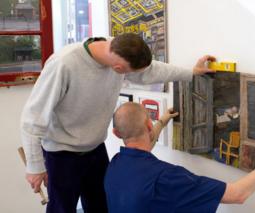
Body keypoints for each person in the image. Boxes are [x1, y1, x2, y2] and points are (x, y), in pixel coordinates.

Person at [20, 33, 215, 212]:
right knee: (62, 209)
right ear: (119, 69)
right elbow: (32, 120)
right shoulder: (63, 64)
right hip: (61, 154)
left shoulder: (118, 50)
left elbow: (151, 71)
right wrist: (35, 166)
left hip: (95, 149)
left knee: (102, 205)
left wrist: (192, 73)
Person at [105, 102, 255, 213]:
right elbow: (237, 195)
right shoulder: (168, 177)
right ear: (149, 126)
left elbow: (141, 145)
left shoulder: (115, 164)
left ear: (116, 133)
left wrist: (162, 122)